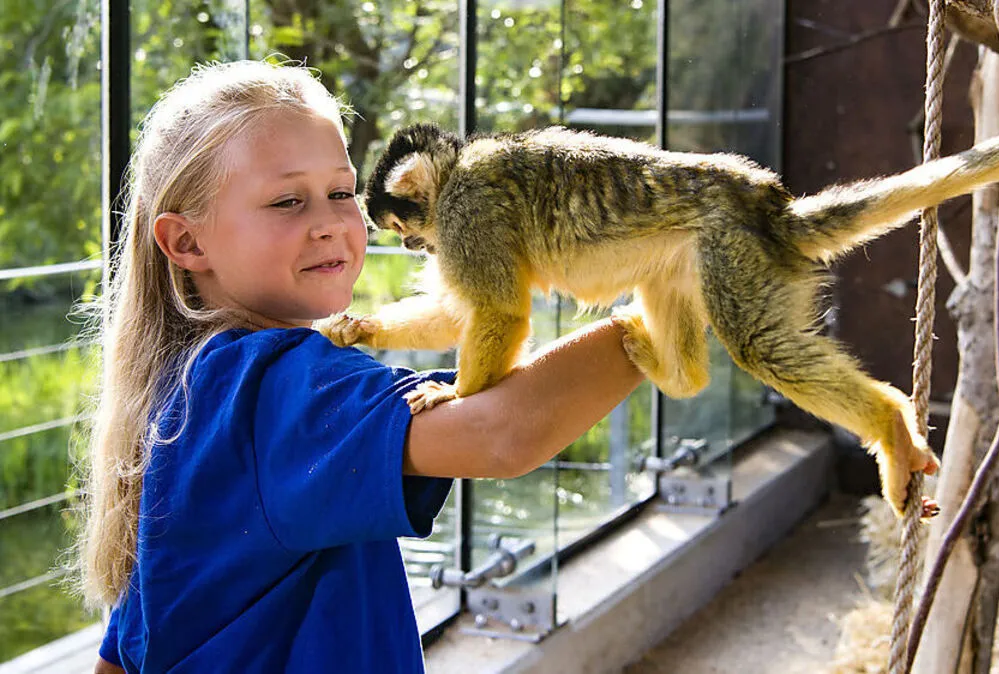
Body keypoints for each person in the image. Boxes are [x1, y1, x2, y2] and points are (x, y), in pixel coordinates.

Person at [81, 60, 643, 674]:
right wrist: (654, 323)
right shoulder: (278, 382)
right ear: (188, 243)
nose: (328, 224)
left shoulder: (186, 386)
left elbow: (133, 640)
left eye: (342, 193)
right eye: (288, 200)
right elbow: (501, 434)